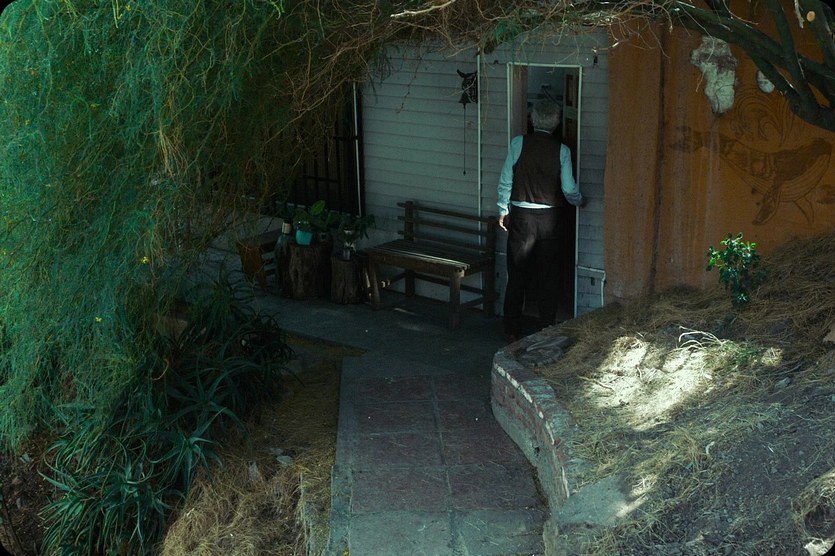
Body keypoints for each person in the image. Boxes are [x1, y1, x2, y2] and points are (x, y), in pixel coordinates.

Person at [497, 99, 583, 341]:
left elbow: (506, 179)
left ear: (532, 119)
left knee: (517, 274)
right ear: (556, 123)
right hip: (549, 219)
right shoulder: (562, 150)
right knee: (548, 274)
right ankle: (546, 327)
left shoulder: (518, 143)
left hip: (521, 216)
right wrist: (579, 201)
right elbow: (569, 188)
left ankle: (511, 328)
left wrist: (502, 208)